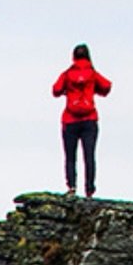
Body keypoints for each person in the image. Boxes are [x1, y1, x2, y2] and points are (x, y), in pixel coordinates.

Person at [52, 44, 110, 196]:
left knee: (70, 156)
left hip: (70, 120)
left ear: (73, 57)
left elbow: (56, 90)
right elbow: (106, 86)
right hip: (89, 119)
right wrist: (93, 89)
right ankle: (89, 189)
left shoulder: (67, 74)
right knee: (89, 155)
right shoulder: (92, 73)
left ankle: (72, 186)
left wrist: (67, 91)